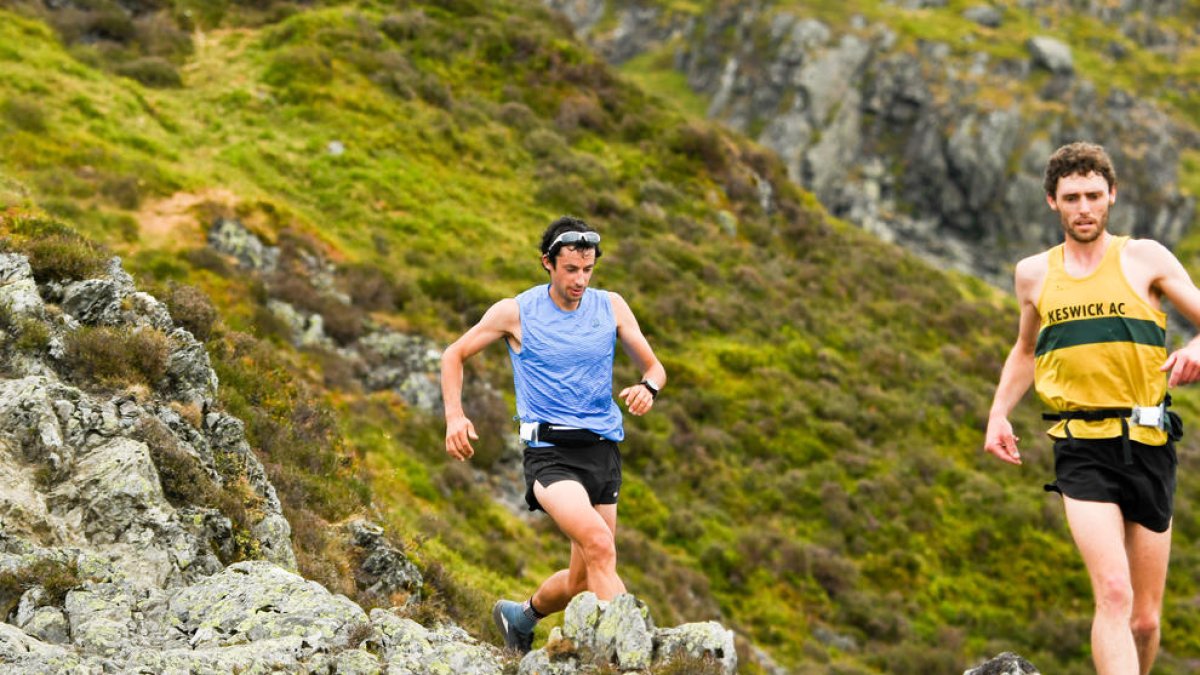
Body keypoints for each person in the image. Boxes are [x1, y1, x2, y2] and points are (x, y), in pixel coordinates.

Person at [984, 141, 1200, 675]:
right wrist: (997, 413)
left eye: (1094, 196)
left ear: (1112, 197)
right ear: (1052, 202)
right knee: (1112, 591)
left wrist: (1195, 348)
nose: (1084, 207)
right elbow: (1028, 350)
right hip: (1080, 447)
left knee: (1145, 620)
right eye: (1072, 197)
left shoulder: (1144, 257)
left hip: (1149, 443)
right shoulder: (1033, 274)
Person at [440, 215, 666, 653]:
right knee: (600, 545)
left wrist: (647, 388)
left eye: (588, 270)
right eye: (570, 270)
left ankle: (519, 616)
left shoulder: (612, 306)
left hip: (603, 453)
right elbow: (454, 354)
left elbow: (654, 368)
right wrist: (455, 416)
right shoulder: (515, 312)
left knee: (583, 578)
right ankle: (636, 654)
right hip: (550, 455)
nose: (580, 280)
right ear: (547, 263)